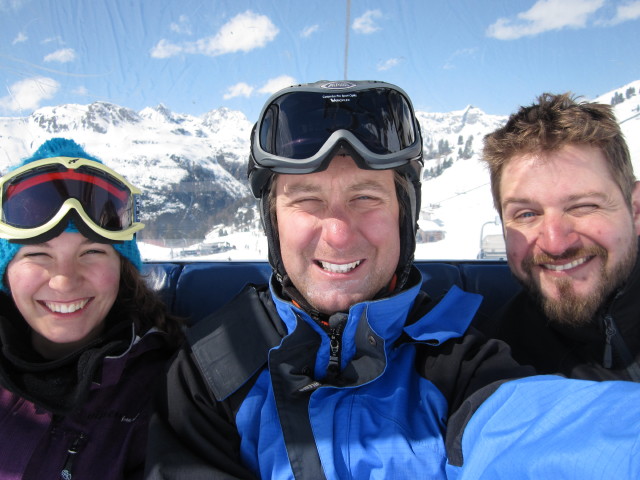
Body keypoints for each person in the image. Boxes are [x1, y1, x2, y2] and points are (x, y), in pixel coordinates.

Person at [145, 81, 640, 479]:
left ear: (406, 216)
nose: (338, 235)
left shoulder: (461, 357)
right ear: (272, 221)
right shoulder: (211, 369)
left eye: (366, 197)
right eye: (306, 200)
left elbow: (543, 435)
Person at [0, 138, 184, 479]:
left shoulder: (172, 387)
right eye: (38, 254)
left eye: (92, 252)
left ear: (121, 269)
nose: (64, 281)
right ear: (6, 274)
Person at [482, 92, 640, 381]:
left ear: (636, 210)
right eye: (527, 214)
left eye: (583, 206)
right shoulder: (496, 364)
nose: (555, 244)